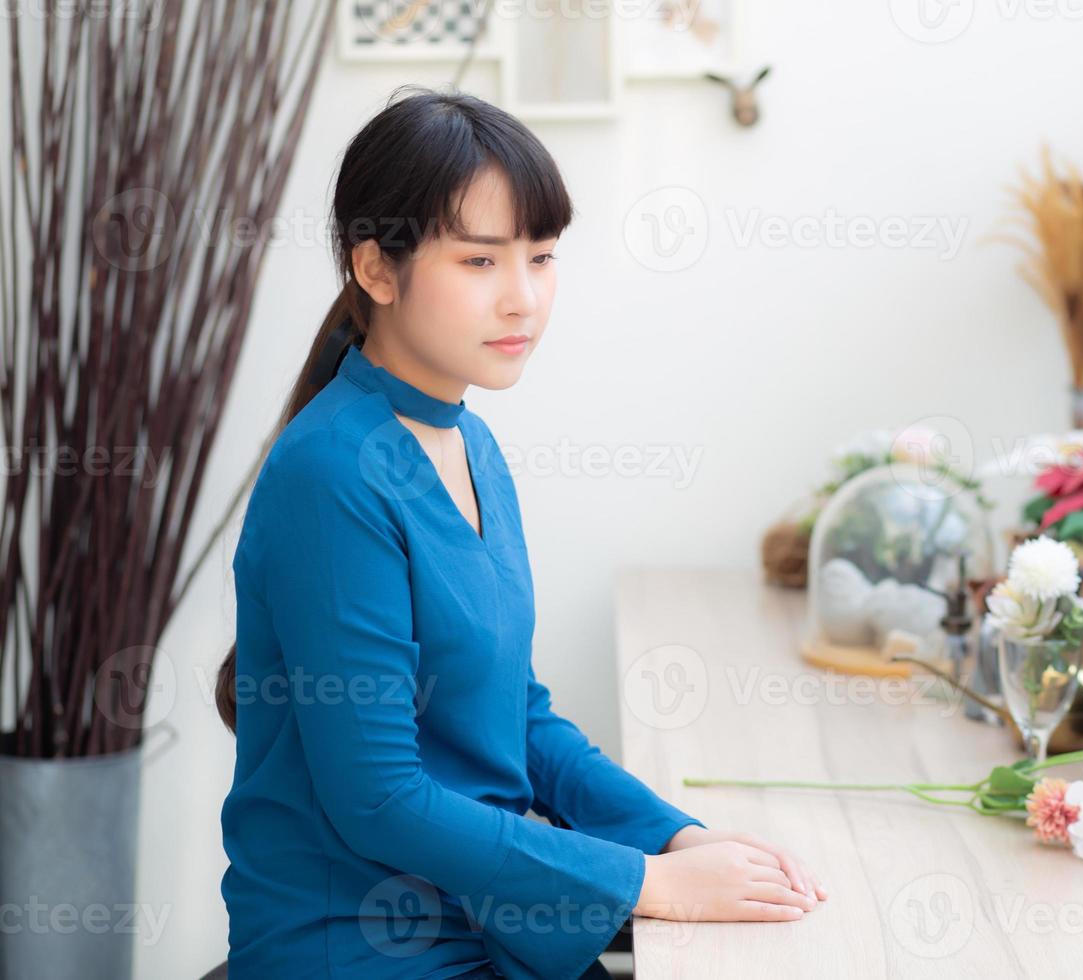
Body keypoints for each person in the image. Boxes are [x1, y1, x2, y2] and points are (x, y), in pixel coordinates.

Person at [215, 86, 826, 980]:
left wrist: (677, 836)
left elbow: (516, 714)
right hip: (358, 949)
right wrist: (650, 883)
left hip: (480, 923)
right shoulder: (331, 475)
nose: (524, 299)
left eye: (541, 258)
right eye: (479, 262)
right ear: (377, 270)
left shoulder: (468, 442)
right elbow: (379, 801)